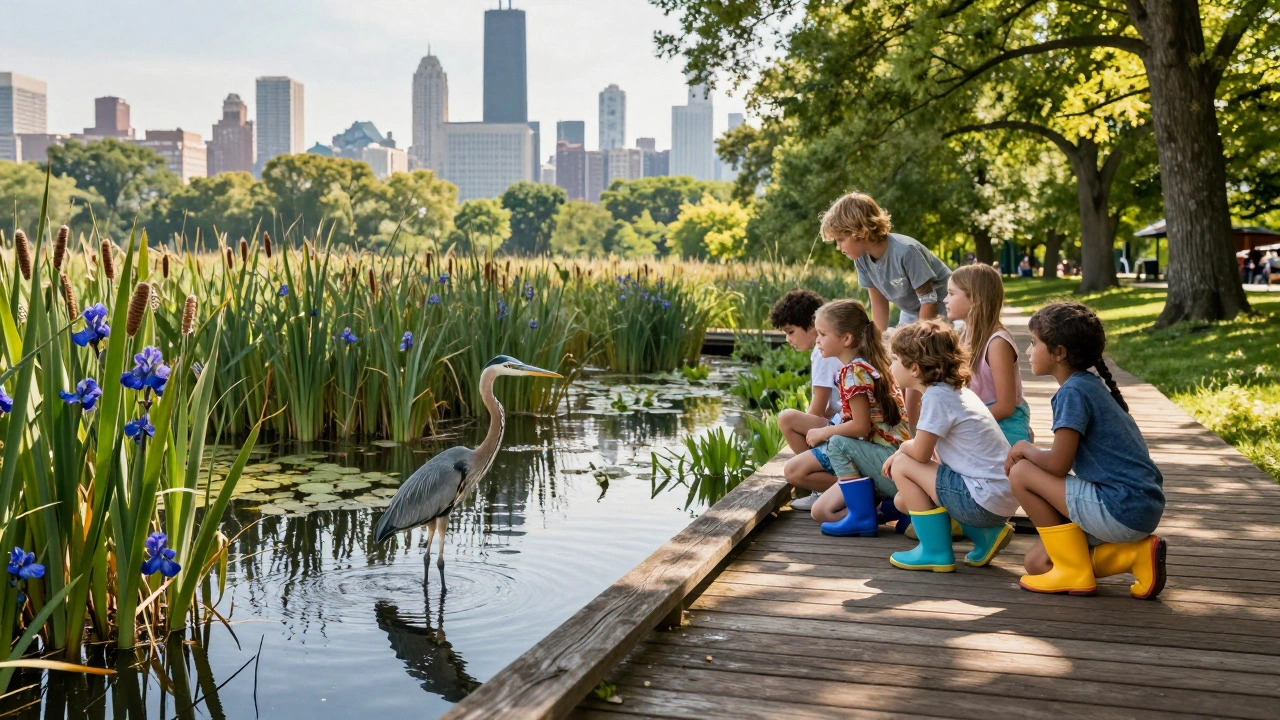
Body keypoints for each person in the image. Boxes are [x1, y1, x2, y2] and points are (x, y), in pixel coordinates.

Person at [1006, 302, 1167, 599]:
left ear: (1059, 353)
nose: (1028, 351)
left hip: (1120, 507)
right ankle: (1134, 556)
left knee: (1021, 472)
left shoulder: (1073, 392)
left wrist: (1024, 448)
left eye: (1033, 343)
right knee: (1038, 563)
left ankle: (1073, 571)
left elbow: (1057, 465)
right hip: (1139, 508)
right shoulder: (1087, 386)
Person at [878, 321, 1017, 571]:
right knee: (902, 501)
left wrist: (900, 450)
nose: (891, 365)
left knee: (902, 464)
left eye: (896, 359)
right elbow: (934, 453)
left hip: (982, 500)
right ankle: (985, 535)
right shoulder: (954, 391)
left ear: (915, 369)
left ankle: (935, 551)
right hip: (996, 496)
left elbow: (919, 454)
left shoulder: (936, 397)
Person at [820, 192, 951, 426]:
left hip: (945, 311)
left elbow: (929, 300)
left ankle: (922, 428)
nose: (839, 247)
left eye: (840, 239)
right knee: (896, 366)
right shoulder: (861, 259)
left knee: (917, 367)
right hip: (912, 312)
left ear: (859, 231)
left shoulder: (905, 251)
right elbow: (879, 307)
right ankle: (908, 428)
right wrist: (872, 346)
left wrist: (917, 342)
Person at [804, 300, 911, 536]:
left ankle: (862, 517)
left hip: (889, 464)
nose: (817, 340)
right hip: (887, 459)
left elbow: (861, 427)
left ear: (846, 339)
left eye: (822, 334)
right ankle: (895, 509)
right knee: (821, 511)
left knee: (837, 442)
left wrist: (824, 432)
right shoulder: (867, 364)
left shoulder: (854, 372)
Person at [771, 289, 844, 511]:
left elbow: (818, 410)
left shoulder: (823, 354)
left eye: (791, 331)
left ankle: (821, 486)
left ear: (812, 326)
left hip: (844, 428)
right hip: (843, 422)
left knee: (787, 419)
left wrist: (805, 436)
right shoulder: (833, 347)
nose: (788, 339)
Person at [945, 264, 1033, 444]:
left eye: (951, 294)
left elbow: (1006, 406)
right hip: (981, 421)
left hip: (1003, 426)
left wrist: (963, 425)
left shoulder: (997, 343)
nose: (945, 300)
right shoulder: (963, 336)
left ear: (975, 299)